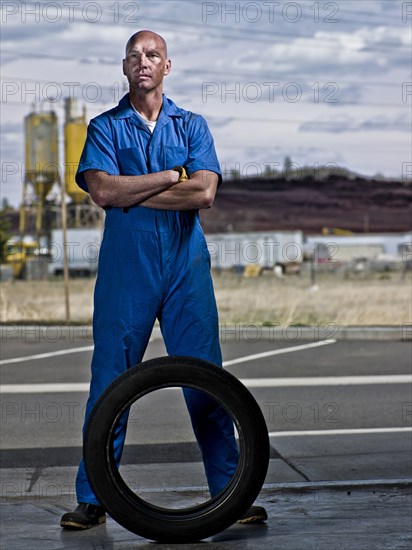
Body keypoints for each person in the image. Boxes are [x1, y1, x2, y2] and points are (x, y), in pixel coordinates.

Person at [60, 30, 267, 530]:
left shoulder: (192, 125)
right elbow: (104, 191)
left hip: (184, 267)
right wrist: (170, 177)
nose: (143, 62)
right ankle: (94, 497)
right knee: (110, 380)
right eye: (134, 57)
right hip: (126, 269)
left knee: (205, 379)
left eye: (152, 55)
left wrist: (135, 191)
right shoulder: (104, 127)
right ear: (124, 68)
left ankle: (228, 492)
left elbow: (204, 194)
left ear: (167, 66)